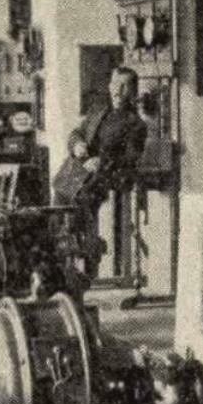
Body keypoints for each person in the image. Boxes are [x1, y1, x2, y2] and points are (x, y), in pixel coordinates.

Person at [55, 67, 148, 272]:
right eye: (115, 84)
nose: (118, 90)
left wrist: (102, 161)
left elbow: (131, 157)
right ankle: (62, 255)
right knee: (59, 197)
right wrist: (77, 144)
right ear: (109, 85)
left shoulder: (135, 124)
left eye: (124, 86)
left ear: (132, 91)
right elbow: (76, 133)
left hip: (108, 175)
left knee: (81, 201)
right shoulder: (98, 111)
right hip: (79, 170)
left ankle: (87, 259)